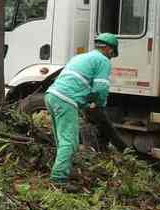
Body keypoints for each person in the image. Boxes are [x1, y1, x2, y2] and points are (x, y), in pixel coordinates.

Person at [44, 33, 119, 187]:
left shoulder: (80, 57)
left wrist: (84, 103)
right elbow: (100, 88)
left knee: (62, 139)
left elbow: (78, 84)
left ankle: (63, 169)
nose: (111, 57)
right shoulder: (103, 60)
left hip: (51, 95)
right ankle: (58, 179)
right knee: (70, 142)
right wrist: (99, 105)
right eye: (112, 54)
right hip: (65, 99)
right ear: (109, 50)